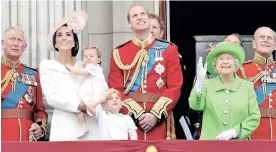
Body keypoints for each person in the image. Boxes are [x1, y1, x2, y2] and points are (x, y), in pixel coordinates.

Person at [108, 4, 183, 140]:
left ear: (148, 20)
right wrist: (137, 114)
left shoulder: (169, 50)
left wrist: (155, 115)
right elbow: (116, 90)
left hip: (160, 120)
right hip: (129, 122)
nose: (140, 17)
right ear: (129, 24)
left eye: (143, 14)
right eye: (134, 15)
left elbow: (175, 87)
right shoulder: (118, 53)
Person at [40, 10, 99, 141]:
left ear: (74, 42)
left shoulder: (83, 66)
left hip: (89, 122)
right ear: (55, 43)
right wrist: (79, 105)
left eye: (68, 34)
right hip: (63, 124)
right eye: (59, 35)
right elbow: (51, 98)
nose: (64, 38)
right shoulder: (47, 65)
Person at [189, 41, 261, 140]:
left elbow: (254, 117)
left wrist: (234, 132)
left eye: (229, 59)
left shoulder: (247, 87)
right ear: (215, 66)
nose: (225, 62)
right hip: (210, 144)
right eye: (221, 59)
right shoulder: (206, 84)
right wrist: (199, 83)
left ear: (235, 64)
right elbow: (196, 106)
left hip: (239, 145)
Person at [1, 27, 48, 141]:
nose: (16, 44)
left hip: (26, 135)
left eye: (19, 40)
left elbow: (40, 110)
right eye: (12, 39)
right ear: (2, 43)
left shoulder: (33, 74)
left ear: (25, 47)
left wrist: (40, 127)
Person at [236, 26, 276, 140]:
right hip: (253, 131)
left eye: (270, 38)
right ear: (254, 44)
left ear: (275, 45)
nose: (266, 40)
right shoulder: (241, 70)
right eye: (262, 37)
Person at [65, 46, 108, 138]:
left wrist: (68, 66)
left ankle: (83, 126)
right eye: (85, 56)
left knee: (76, 106)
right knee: (77, 108)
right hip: (91, 94)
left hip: (92, 95)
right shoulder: (94, 68)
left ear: (98, 60)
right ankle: (83, 126)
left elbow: (77, 71)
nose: (88, 58)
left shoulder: (93, 67)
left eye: (91, 56)